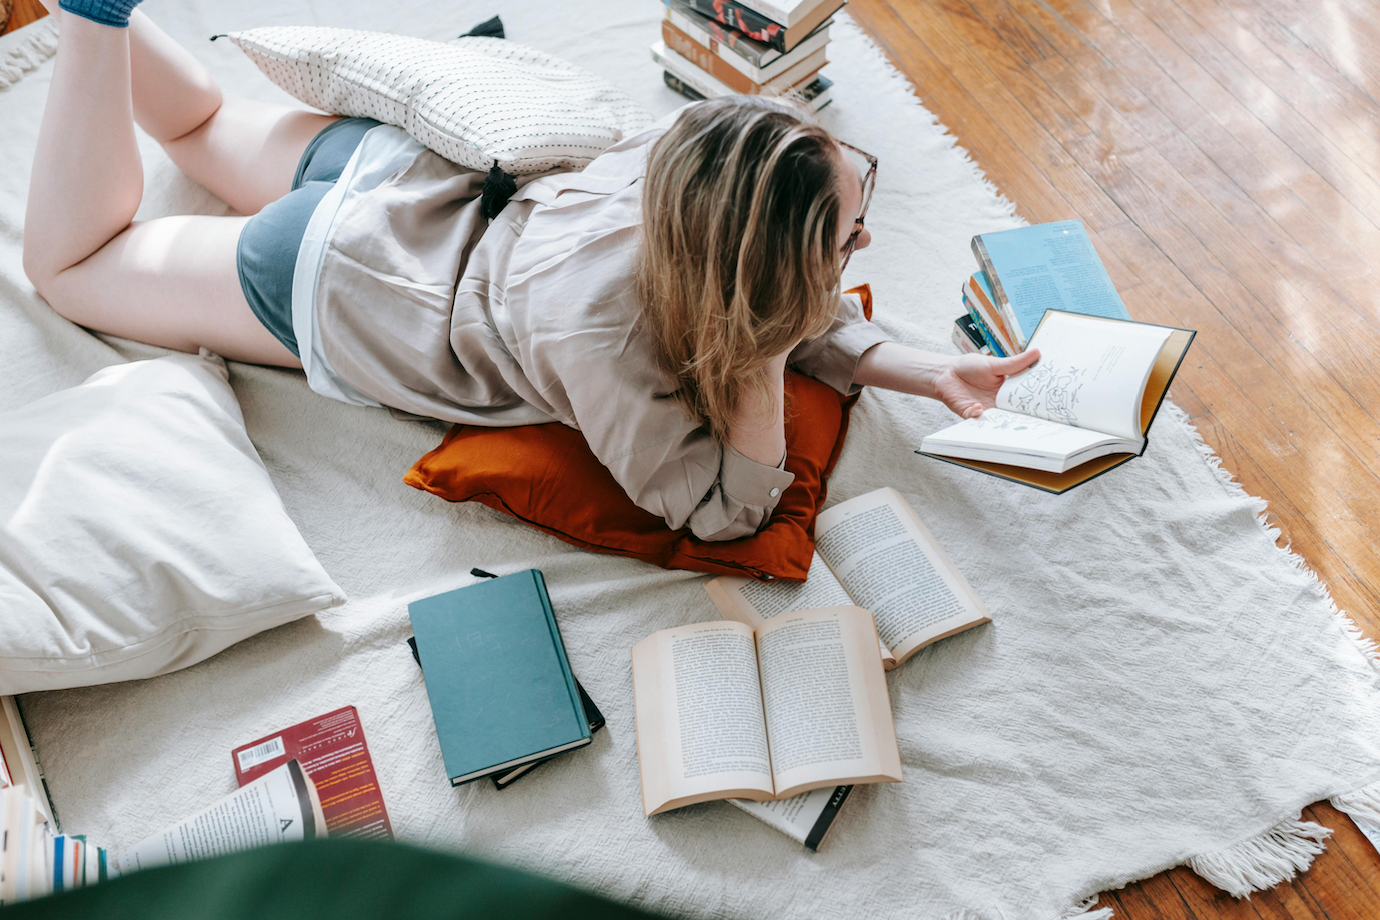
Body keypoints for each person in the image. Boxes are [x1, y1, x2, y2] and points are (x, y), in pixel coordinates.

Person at [23, 0, 1038, 542]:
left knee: (198, 126)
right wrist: (770, 364)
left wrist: (913, 366)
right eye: (849, 236)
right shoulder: (606, 348)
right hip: (348, 278)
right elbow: (721, 508)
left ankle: (108, 12)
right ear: (758, 284)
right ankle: (85, 30)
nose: (859, 249)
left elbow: (772, 284)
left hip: (405, 170)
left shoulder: (678, 159)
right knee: (76, 265)